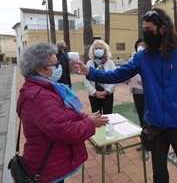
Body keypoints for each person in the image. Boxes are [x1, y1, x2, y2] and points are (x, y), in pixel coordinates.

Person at [71, 8, 177, 183]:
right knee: (159, 172)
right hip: (154, 126)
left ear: (162, 29)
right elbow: (117, 75)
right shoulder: (143, 57)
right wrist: (90, 71)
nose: (145, 34)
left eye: (149, 30)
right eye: (144, 30)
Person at [17, 42, 108, 183]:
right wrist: (89, 123)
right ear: (40, 70)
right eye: (55, 65)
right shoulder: (40, 97)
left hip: (52, 161)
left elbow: (62, 115)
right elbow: (66, 131)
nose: (60, 67)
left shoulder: (46, 89)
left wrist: (85, 117)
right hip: (47, 167)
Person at [127, 38, 149, 160]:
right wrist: (127, 79)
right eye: (139, 45)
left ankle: (148, 146)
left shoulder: (151, 60)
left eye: (143, 45)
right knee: (141, 119)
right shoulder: (133, 60)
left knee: (147, 120)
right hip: (137, 92)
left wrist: (146, 82)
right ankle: (144, 143)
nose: (140, 46)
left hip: (147, 94)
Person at [83, 39, 116, 115]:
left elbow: (114, 78)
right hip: (94, 95)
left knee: (108, 116)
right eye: (96, 48)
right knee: (96, 116)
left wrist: (106, 91)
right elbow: (85, 80)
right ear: (93, 50)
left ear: (105, 50)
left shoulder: (110, 63)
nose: (98, 50)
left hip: (107, 95)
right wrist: (94, 92)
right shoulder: (89, 63)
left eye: (100, 48)